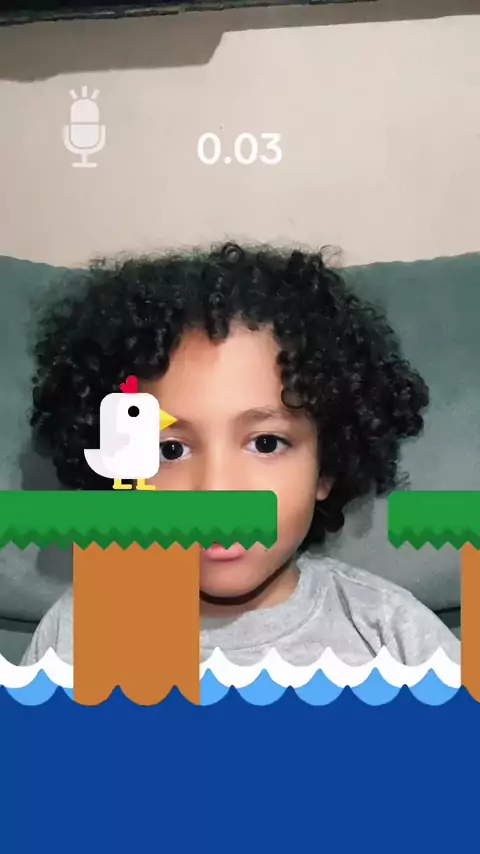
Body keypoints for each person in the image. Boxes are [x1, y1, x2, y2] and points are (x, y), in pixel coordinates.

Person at [21, 241, 460, 668]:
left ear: (327, 466)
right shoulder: (77, 632)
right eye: (170, 450)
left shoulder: (393, 634)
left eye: (266, 443)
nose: (217, 491)